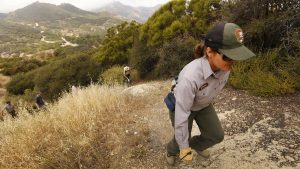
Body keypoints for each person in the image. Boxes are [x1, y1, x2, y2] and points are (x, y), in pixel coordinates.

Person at [165, 22, 255, 165]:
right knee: (181, 139)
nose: (232, 62)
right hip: (182, 107)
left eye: (235, 57)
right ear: (209, 52)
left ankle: (196, 145)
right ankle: (171, 150)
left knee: (216, 135)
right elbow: (182, 114)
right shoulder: (190, 77)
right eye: (227, 56)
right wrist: (184, 148)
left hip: (203, 104)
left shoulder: (224, 67)